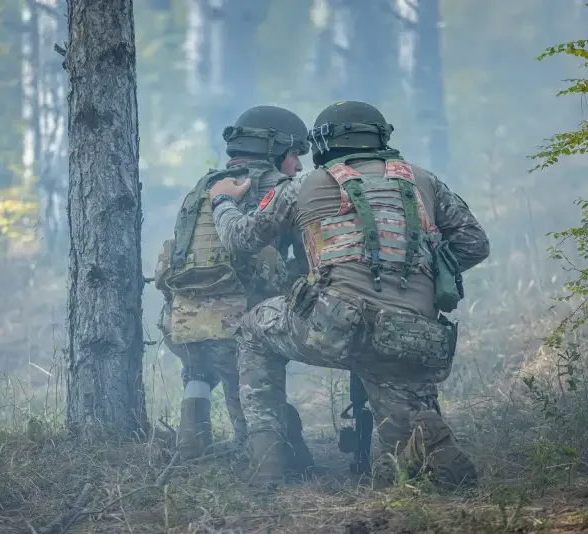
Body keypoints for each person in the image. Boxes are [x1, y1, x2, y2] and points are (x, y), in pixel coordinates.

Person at [208, 101, 490, 488]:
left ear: (324, 143)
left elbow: (241, 239)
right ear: (380, 138)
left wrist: (221, 200)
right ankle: (427, 438)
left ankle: (268, 462)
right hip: (413, 334)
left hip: (336, 326)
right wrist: (420, 264)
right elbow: (474, 244)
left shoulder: (301, 186)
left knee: (252, 330)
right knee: (401, 446)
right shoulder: (424, 181)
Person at [154, 105, 312, 461]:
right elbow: (307, 262)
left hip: (183, 319)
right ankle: (261, 460)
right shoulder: (282, 188)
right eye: (294, 155)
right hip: (242, 319)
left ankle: (192, 446)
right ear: (274, 151)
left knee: (198, 370)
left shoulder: (204, 187)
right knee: (252, 388)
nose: (299, 165)